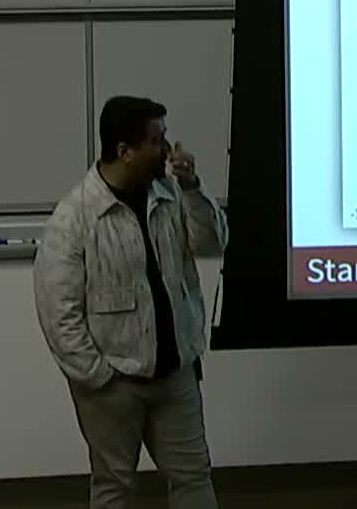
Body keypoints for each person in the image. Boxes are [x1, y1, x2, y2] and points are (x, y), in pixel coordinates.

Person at [34, 95, 229, 509]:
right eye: (156, 140)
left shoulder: (171, 194)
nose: (168, 149)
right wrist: (100, 377)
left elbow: (212, 242)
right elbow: (59, 314)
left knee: (194, 477)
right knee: (114, 487)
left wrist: (193, 187)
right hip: (113, 384)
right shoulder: (74, 218)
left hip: (175, 374)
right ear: (124, 151)